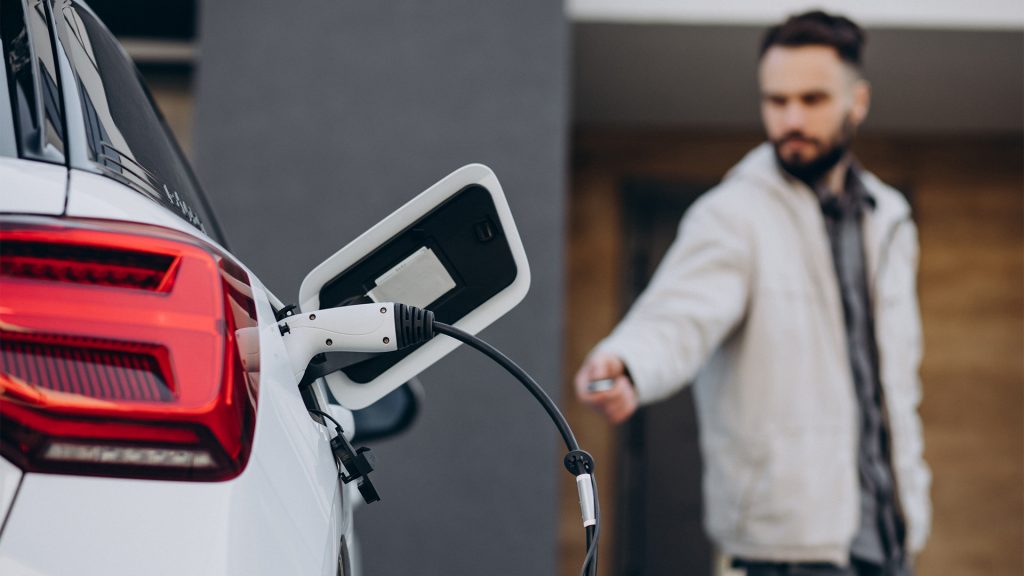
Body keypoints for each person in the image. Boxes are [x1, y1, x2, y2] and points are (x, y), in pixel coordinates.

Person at [573, 11, 930, 576]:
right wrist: (629, 362)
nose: (792, 119)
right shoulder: (733, 214)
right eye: (776, 100)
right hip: (781, 551)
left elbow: (895, 388)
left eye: (812, 99)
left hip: (889, 543)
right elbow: (677, 316)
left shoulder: (889, 220)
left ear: (857, 101)